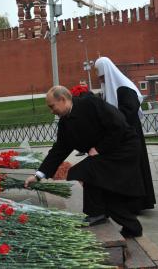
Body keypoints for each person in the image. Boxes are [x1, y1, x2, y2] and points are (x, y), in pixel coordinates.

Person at [24, 86, 147, 237]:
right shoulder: (65, 123)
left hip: (123, 148)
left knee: (86, 171)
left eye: (52, 106)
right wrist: (38, 175)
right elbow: (59, 150)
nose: (51, 111)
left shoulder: (90, 104)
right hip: (105, 153)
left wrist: (99, 148)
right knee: (105, 189)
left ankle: (98, 214)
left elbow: (119, 125)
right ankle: (129, 225)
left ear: (62, 100)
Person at [94, 56, 155, 212]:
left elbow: (128, 112)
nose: (98, 77)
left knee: (133, 170)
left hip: (130, 135)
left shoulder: (125, 87)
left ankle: (136, 204)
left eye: (99, 74)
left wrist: (111, 121)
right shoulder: (110, 88)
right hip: (120, 136)